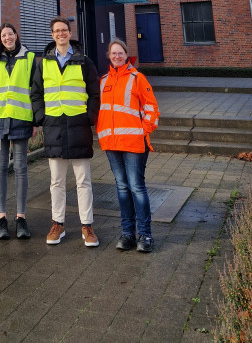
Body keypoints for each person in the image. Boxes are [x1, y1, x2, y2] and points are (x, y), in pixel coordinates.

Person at [31, 16, 100, 247]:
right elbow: (36, 94)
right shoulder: (43, 63)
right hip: (54, 128)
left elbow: (94, 94)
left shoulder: (85, 62)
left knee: (83, 181)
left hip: (78, 127)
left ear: (70, 33)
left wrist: (89, 117)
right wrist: (41, 117)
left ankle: (87, 226)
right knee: (56, 181)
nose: (61, 34)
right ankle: (57, 224)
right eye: (56, 31)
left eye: (64, 30)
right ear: (52, 35)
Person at [97, 38, 160, 253]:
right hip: (112, 143)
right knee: (122, 188)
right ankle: (127, 235)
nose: (117, 56)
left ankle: (145, 235)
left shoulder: (137, 78)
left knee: (136, 188)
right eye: (113, 53)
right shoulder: (104, 80)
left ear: (126, 55)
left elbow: (152, 107)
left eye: (120, 53)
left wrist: (145, 129)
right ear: (109, 56)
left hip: (133, 142)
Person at [0, 22, 36, 240]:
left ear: (16, 35)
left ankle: (21, 218)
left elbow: (35, 91)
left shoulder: (30, 58)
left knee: (20, 167)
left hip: (21, 119)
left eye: (10, 34)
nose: (7, 37)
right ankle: (1, 219)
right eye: (3, 35)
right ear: (0, 38)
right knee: (0, 168)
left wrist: (36, 121)